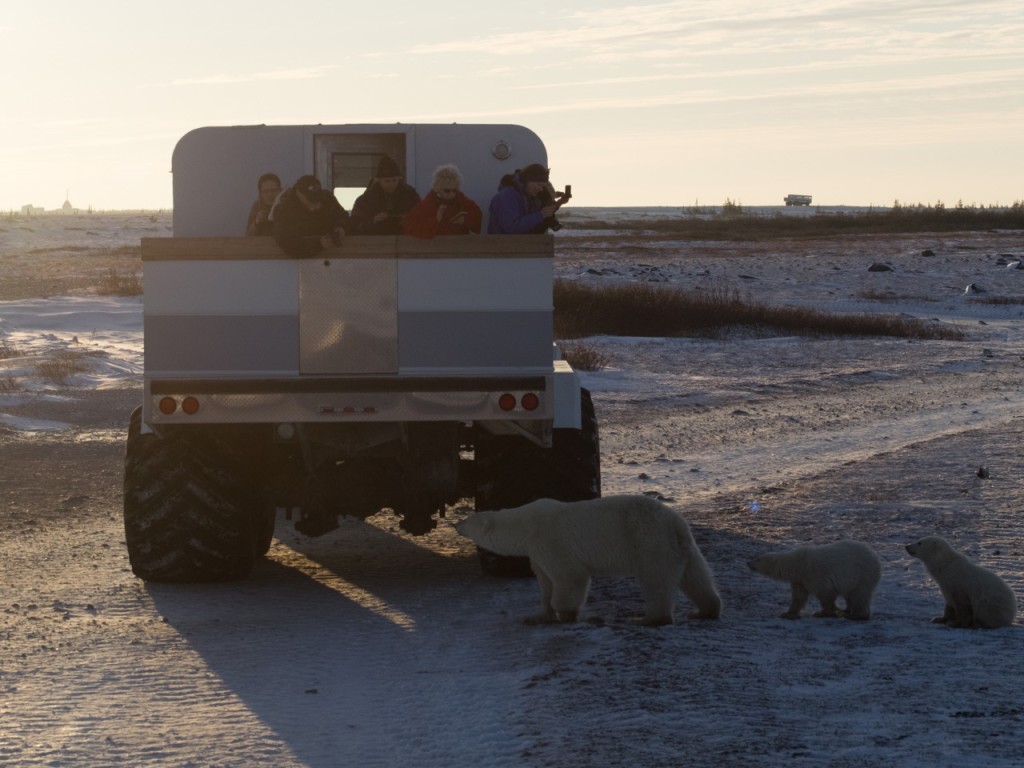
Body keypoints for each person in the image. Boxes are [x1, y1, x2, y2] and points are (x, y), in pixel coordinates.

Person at [271, 175, 351, 257]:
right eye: (312, 201)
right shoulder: (285, 210)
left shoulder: (327, 199)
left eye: (318, 200)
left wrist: (341, 227)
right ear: (300, 195)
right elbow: (287, 242)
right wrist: (318, 245)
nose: (317, 206)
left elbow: (343, 216)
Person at [402, 164, 482, 238]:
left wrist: (465, 220)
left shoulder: (461, 198)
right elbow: (409, 225)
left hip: (459, 246)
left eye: (454, 190)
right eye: (447, 191)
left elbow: (477, 214)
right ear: (437, 188)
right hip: (436, 248)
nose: (452, 194)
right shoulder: (428, 203)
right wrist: (436, 220)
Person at [487, 163, 568, 234]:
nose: (541, 189)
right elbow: (512, 228)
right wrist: (540, 215)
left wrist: (559, 203)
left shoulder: (528, 196)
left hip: (518, 247)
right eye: (539, 185)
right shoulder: (506, 197)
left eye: (543, 186)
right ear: (527, 181)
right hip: (501, 248)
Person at [350, 156, 420, 235]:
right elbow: (354, 225)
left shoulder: (410, 196)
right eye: (387, 181)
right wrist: (372, 222)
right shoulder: (365, 201)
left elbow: (422, 216)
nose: (391, 184)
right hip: (375, 243)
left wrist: (407, 219)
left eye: (394, 180)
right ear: (378, 180)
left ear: (399, 179)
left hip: (407, 242)